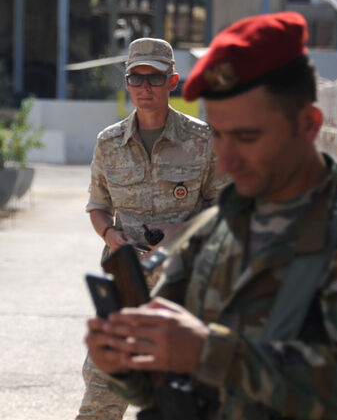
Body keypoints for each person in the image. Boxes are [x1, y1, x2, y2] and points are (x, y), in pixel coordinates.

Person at [85, 12, 337, 420]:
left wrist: (209, 352)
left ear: (307, 124)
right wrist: (122, 361)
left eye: (246, 136)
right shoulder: (217, 229)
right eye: (221, 135)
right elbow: (169, 375)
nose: (225, 159)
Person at [78, 37, 228, 420]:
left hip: (186, 284)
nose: (145, 88)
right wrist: (111, 235)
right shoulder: (108, 143)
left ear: (173, 81)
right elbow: (97, 207)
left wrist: (183, 228)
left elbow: (225, 207)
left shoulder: (202, 140)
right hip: (128, 280)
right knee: (103, 388)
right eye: (136, 78)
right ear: (126, 83)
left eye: (155, 79)